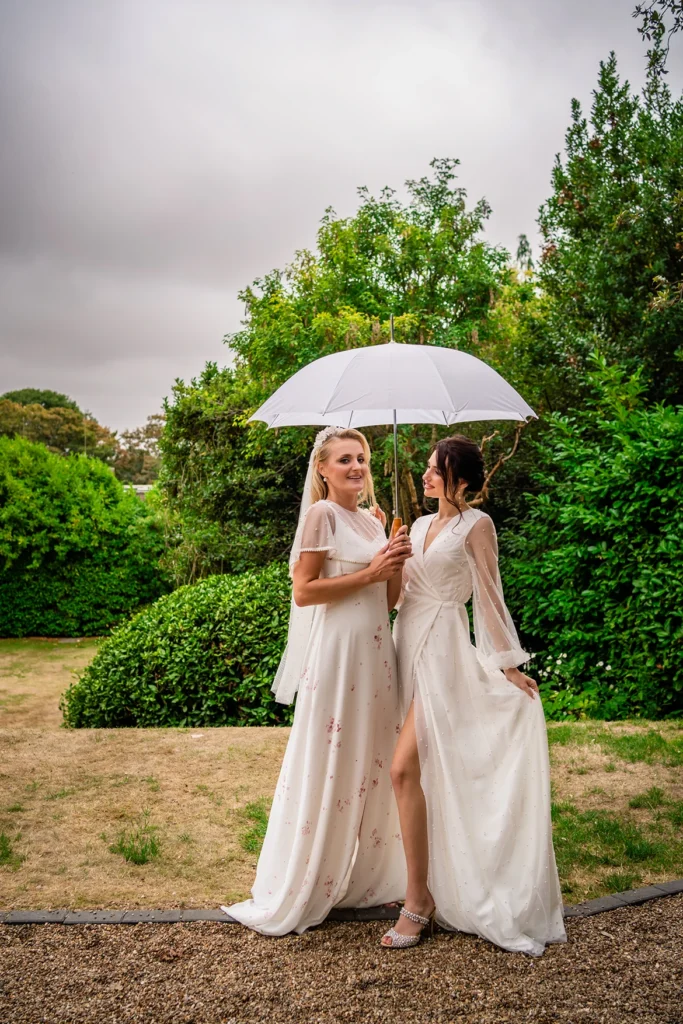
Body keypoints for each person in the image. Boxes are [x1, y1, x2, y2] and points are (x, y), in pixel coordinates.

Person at [381, 435, 566, 956]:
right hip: (404, 643)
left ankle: (418, 901)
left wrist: (507, 665)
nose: (424, 476)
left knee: (401, 769)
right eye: (425, 469)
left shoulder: (476, 525)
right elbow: (397, 595)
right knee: (414, 775)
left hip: (442, 653)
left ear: (459, 477)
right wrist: (388, 550)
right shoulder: (417, 526)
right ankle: (423, 880)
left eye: (434, 469)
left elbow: (489, 594)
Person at [225, 426, 411, 935]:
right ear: (323, 469)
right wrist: (371, 574)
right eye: (345, 459)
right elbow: (305, 592)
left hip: (377, 655)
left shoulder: (374, 521)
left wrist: (394, 557)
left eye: (363, 458)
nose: (357, 467)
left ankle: (363, 874)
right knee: (333, 756)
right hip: (338, 655)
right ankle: (311, 876)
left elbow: (388, 601)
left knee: (373, 760)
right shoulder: (321, 515)